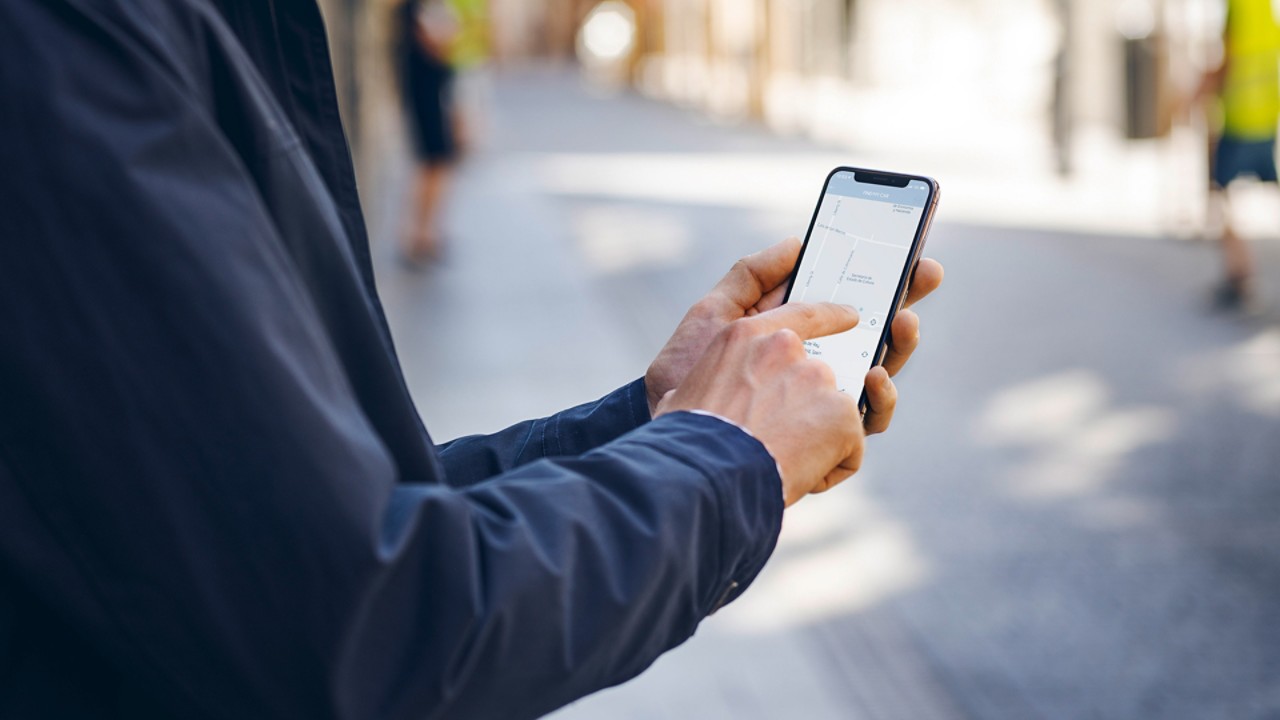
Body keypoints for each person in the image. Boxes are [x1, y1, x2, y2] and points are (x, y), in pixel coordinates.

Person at [0, 1, 943, 719]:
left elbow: (342, 518)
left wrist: (653, 414)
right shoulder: (72, 45)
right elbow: (367, 622)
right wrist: (722, 453)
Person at [1194, 0, 1280, 310]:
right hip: (1266, 118)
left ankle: (1238, 276)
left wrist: (1198, 93)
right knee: (1263, 194)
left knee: (1226, 199)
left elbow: (1229, 61)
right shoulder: (1265, 9)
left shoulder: (1238, 7)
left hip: (1240, 119)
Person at [398, 0, 460, 263]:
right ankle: (420, 235)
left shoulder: (418, 8)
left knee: (434, 166)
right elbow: (440, 39)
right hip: (426, 98)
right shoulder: (414, 9)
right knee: (433, 164)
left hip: (429, 95)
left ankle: (425, 232)